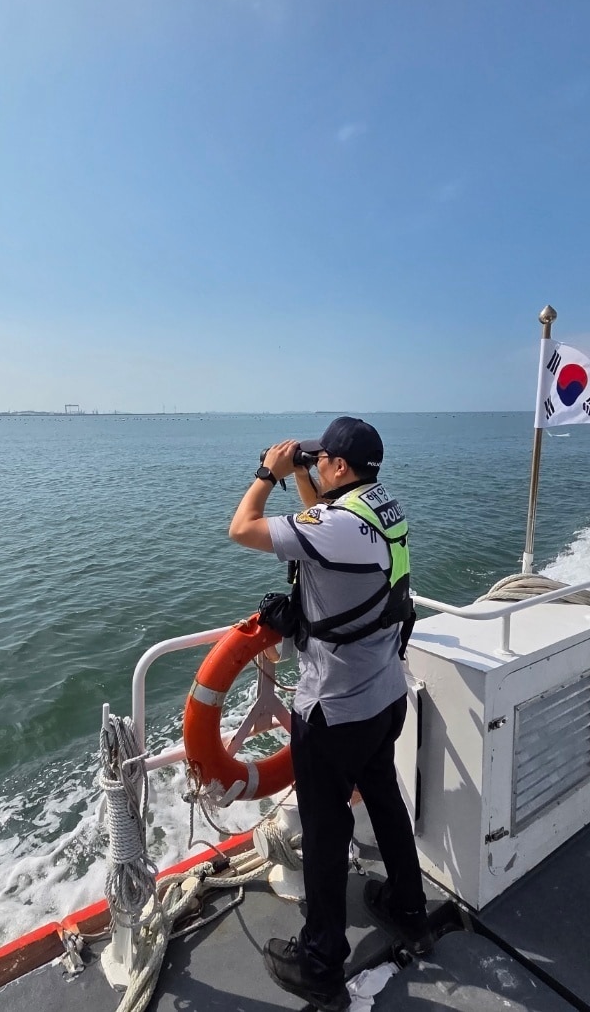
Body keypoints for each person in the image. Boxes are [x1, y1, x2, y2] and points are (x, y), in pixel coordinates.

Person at [228, 416, 431, 1012]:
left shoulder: (338, 526)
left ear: (341, 467)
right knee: (385, 799)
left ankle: (320, 960)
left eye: (320, 462)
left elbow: (241, 528)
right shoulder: (380, 506)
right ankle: (408, 907)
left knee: (323, 829)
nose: (313, 468)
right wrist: (304, 473)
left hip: (335, 707)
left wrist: (269, 473)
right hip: (384, 692)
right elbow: (326, 523)